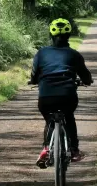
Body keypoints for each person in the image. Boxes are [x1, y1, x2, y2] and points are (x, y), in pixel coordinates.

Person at [30, 18, 92, 168]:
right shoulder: (74, 55)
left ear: (51, 36)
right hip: (67, 96)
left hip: (46, 97)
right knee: (69, 117)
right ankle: (75, 150)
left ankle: (46, 148)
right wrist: (86, 81)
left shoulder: (41, 53)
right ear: (69, 35)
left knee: (49, 119)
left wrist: (34, 81)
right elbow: (86, 77)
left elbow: (33, 75)